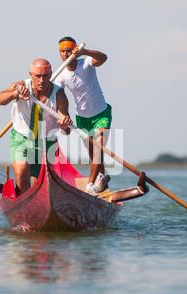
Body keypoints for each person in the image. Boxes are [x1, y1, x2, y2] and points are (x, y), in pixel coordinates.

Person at [0, 58, 72, 195]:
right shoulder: (20, 85)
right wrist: (14, 94)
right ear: (30, 75)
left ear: (51, 74)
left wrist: (64, 124)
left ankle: (39, 199)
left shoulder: (59, 94)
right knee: (22, 170)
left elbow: (67, 131)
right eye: (38, 76)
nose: (42, 80)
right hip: (21, 138)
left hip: (47, 142)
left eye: (45, 76)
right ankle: (26, 202)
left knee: (45, 183)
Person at [54, 36, 112, 196]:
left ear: (74, 50)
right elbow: (59, 97)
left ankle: (90, 186)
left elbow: (103, 58)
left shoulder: (86, 63)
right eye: (62, 51)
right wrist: (63, 116)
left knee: (98, 148)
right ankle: (102, 177)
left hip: (101, 113)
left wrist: (84, 51)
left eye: (68, 50)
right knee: (93, 153)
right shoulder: (60, 75)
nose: (66, 54)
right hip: (82, 118)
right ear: (59, 53)